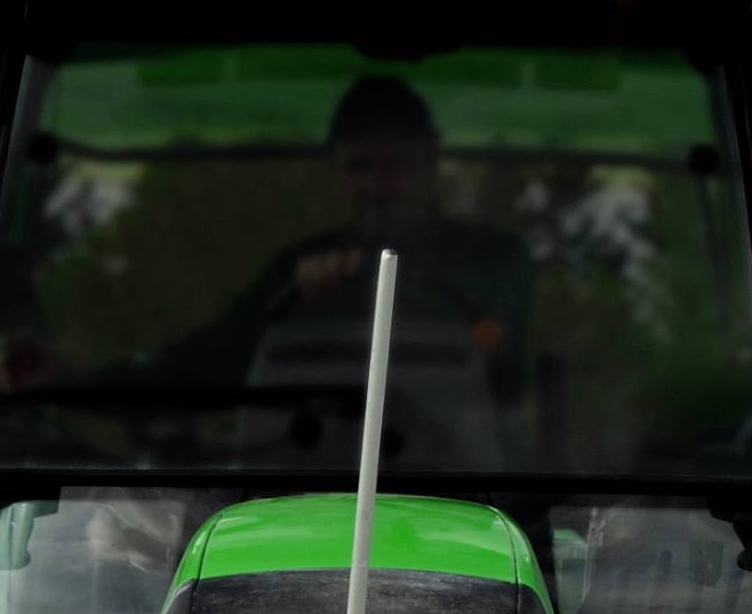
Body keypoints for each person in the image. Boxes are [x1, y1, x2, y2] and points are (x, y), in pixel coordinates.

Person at [161, 76, 538, 399]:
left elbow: (513, 378)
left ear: (431, 163)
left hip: (469, 476)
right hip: (300, 474)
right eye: (361, 166)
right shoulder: (296, 273)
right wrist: (297, 307)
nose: (380, 186)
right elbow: (214, 360)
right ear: (335, 170)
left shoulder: (494, 262)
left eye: (399, 164)